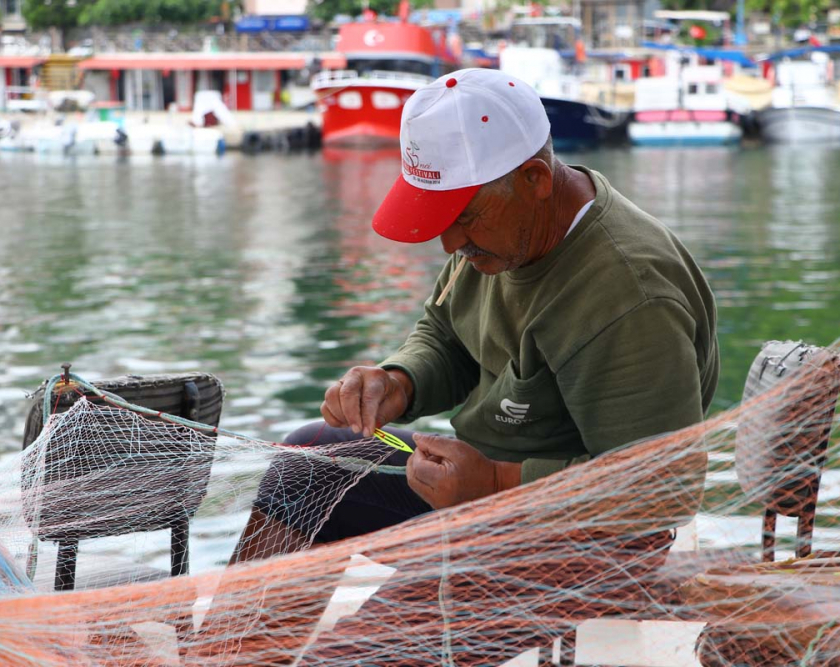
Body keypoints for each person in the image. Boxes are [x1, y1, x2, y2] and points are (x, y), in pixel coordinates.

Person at [213, 65, 718, 665]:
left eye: (463, 219)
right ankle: (230, 654)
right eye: (439, 218)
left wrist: (496, 486)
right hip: (484, 493)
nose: (450, 244)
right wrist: (397, 381)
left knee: (356, 657)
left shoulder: (626, 292)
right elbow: (447, 335)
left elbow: (656, 490)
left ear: (533, 178)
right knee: (311, 457)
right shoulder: (505, 231)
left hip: (589, 544)